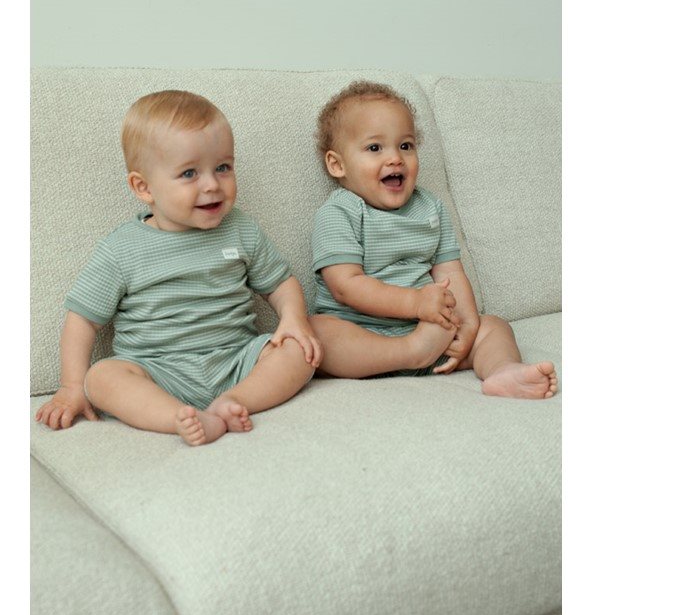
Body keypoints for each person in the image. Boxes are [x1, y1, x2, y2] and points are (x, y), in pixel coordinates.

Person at [36, 90, 321, 445]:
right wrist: (71, 386)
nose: (212, 185)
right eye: (189, 173)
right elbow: (83, 319)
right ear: (144, 188)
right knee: (102, 377)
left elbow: (280, 283)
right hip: (158, 373)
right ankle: (178, 417)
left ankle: (234, 402)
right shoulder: (122, 249)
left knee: (301, 349)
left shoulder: (241, 229)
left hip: (236, 360)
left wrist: (293, 319)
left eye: (223, 167)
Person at [309, 80, 557, 400]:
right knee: (316, 333)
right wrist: (415, 303)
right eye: (375, 148)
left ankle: (502, 370)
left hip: (432, 332)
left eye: (406, 146)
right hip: (364, 334)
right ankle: (408, 352)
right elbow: (345, 285)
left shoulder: (429, 207)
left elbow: (450, 272)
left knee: (494, 327)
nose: (395, 158)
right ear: (337, 164)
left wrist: (467, 325)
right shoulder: (339, 211)